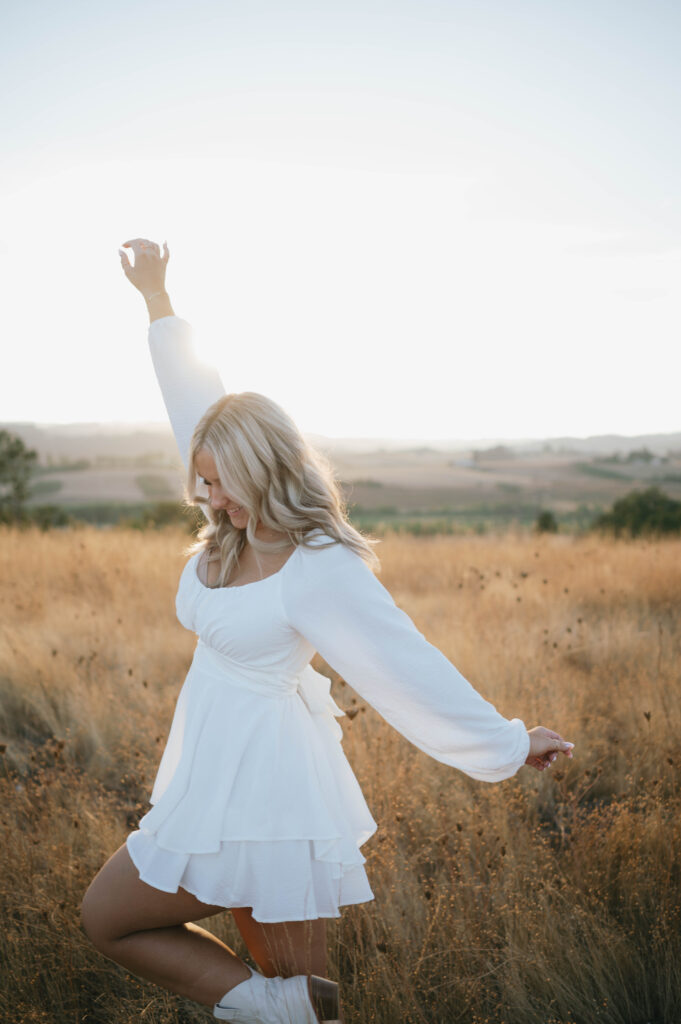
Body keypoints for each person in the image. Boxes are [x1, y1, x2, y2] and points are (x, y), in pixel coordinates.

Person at [81, 238, 574, 1024]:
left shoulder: (318, 564)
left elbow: (405, 664)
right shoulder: (229, 516)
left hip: (272, 786)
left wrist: (510, 742)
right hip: (208, 771)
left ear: (264, 469)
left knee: (292, 978)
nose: (206, 497)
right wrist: (157, 300)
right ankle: (277, 1009)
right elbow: (195, 400)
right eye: (200, 479)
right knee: (111, 920)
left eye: (219, 482)